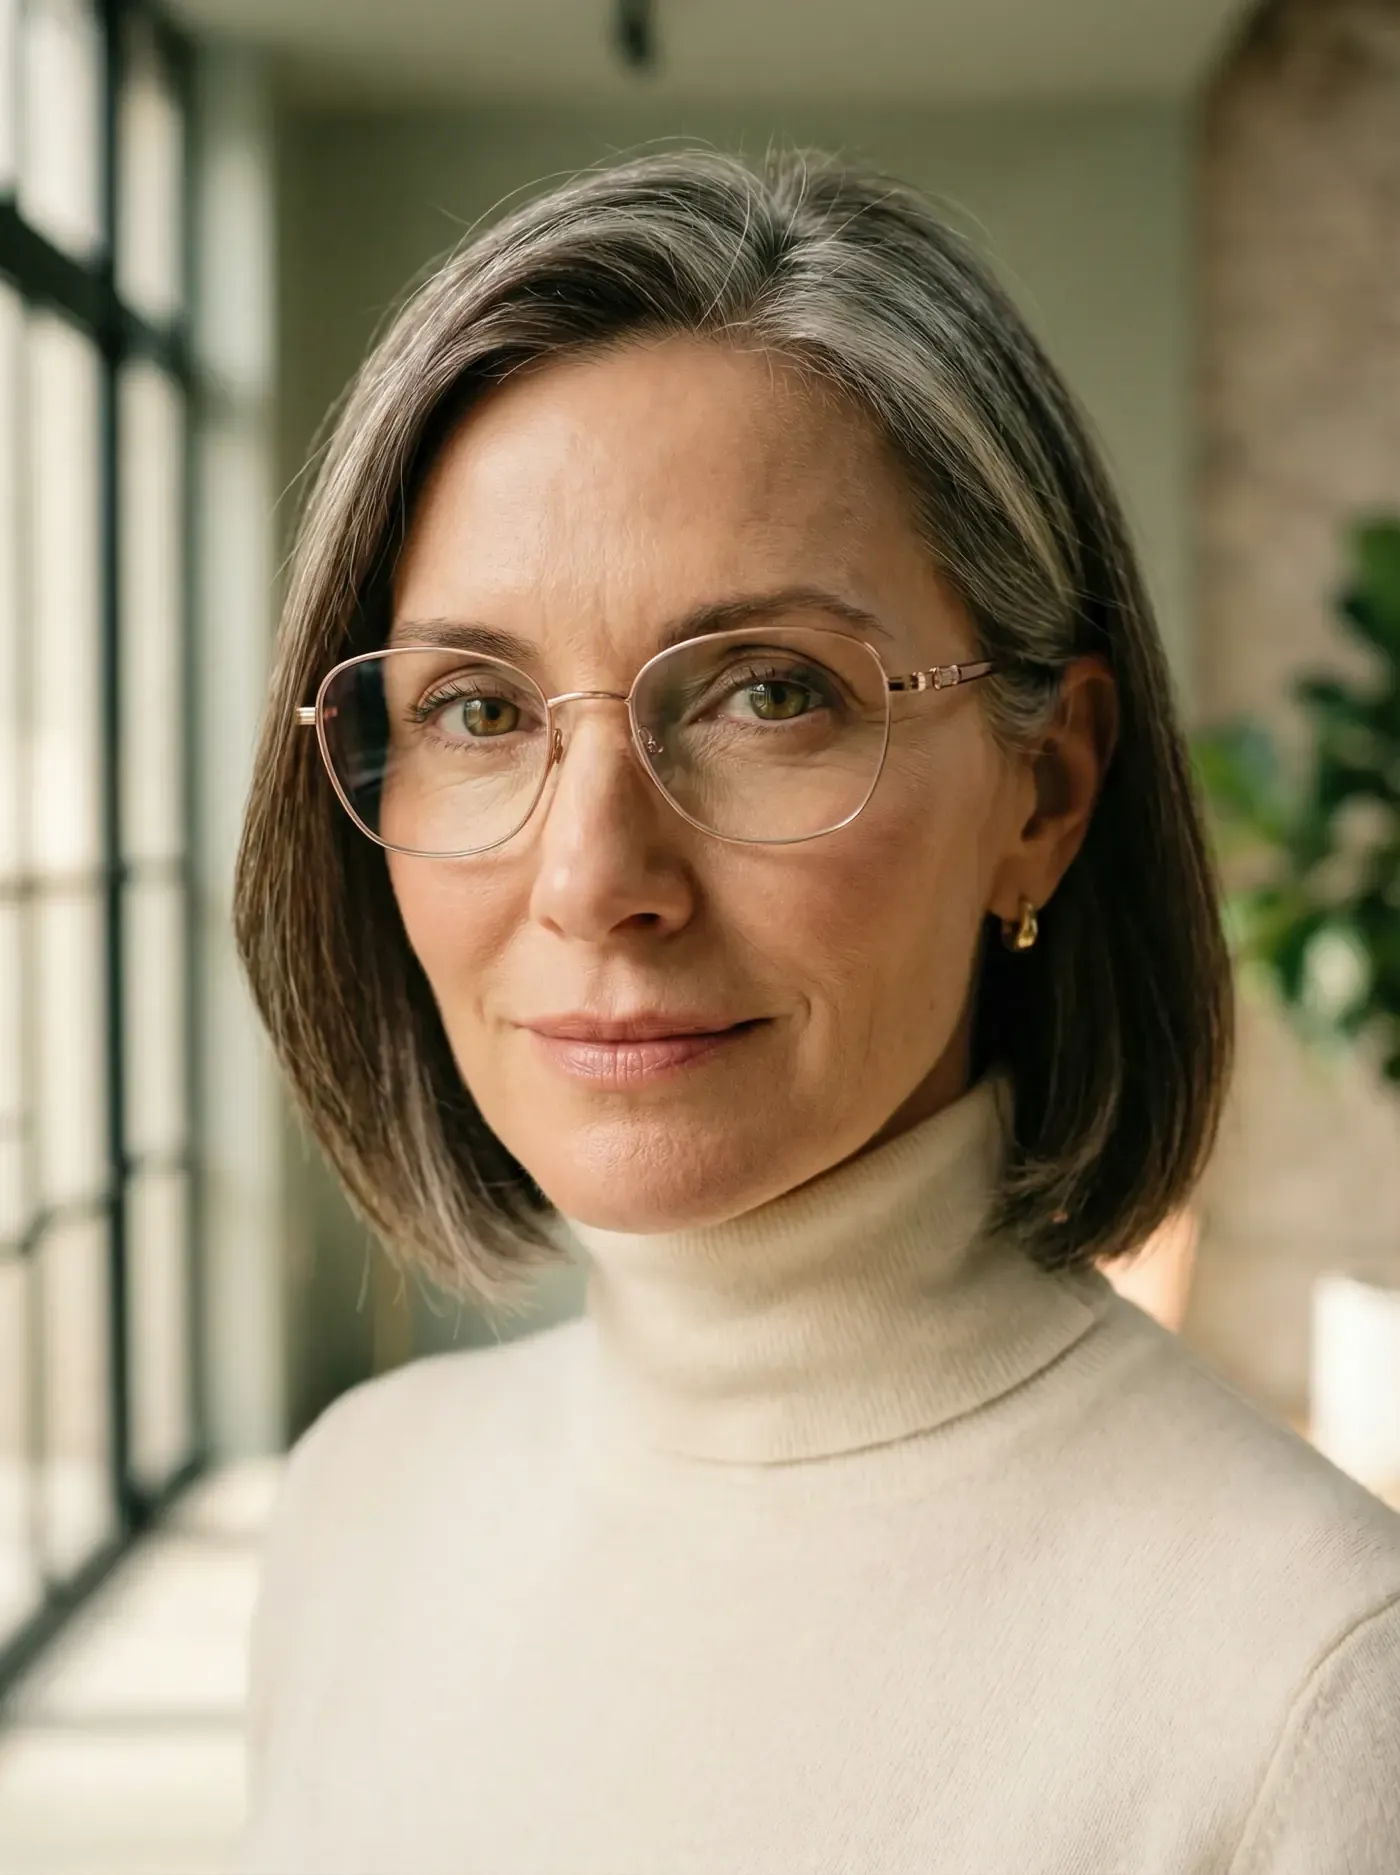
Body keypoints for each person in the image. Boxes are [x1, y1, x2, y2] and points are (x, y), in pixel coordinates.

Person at [229, 147, 1400, 1874]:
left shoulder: (1313, 1687)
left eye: (768, 692)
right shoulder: (356, 1501)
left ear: (1046, 790)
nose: (593, 875)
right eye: (479, 708)